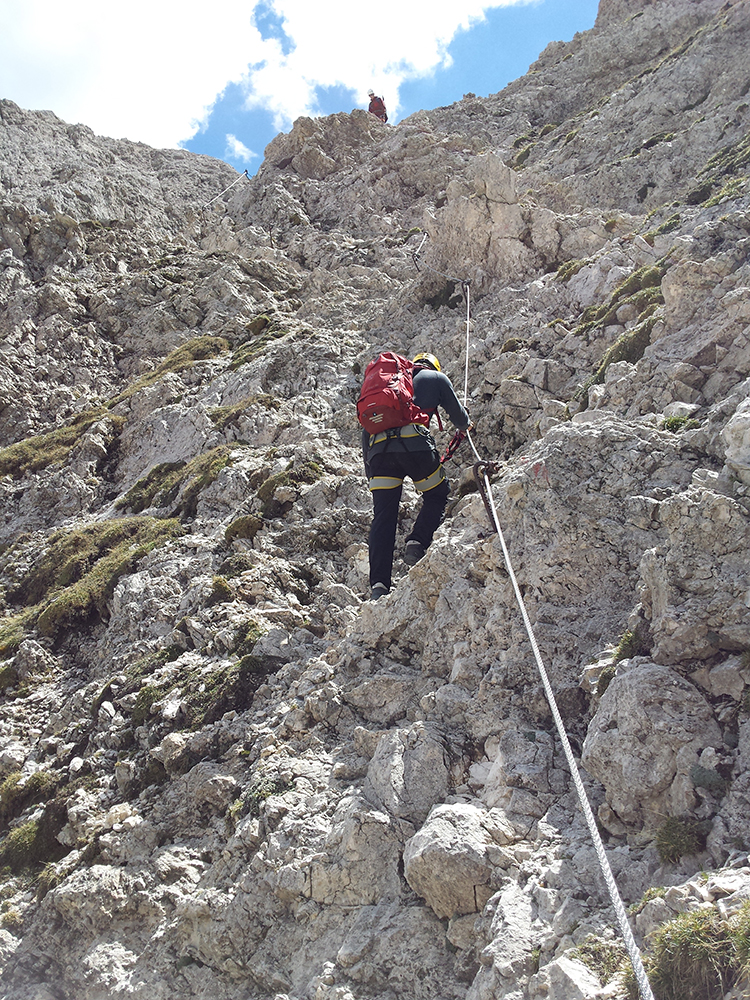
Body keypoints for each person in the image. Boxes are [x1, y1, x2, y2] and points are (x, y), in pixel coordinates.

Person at [363, 352, 471, 601]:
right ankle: (417, 542)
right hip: (415, 446)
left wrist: (371, 469)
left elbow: (366, 431)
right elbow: (459, 419)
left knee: (384, 516)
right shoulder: (436, 377)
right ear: (433, 365)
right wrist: (466, 424)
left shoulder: (388, 386)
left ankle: (379, 585)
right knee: (437, 494)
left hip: (379, 453)